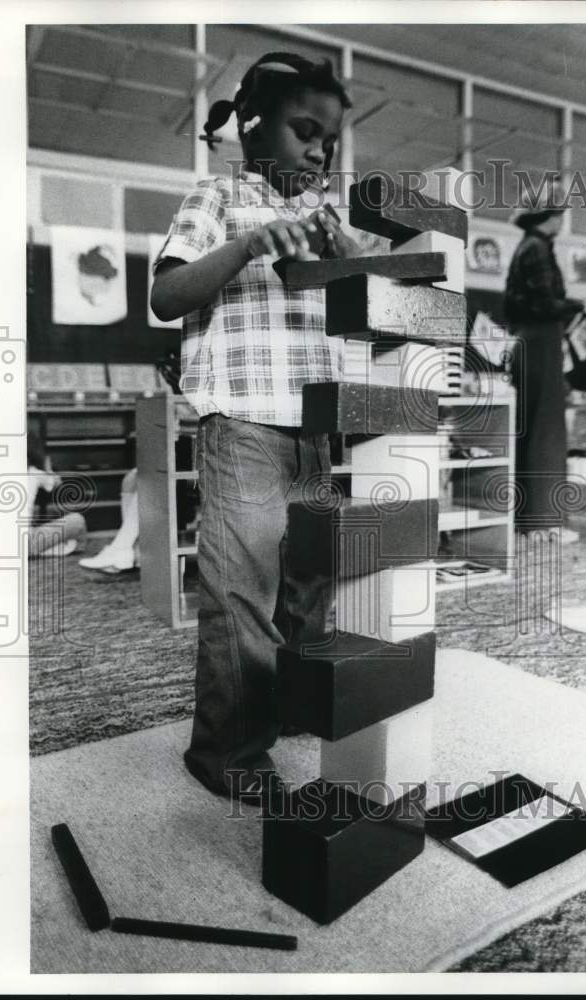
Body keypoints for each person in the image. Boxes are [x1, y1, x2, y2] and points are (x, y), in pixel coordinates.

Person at [150, 52, 358, 805]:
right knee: (244, 590)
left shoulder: (326, 214)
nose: (318, 150)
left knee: (309, 583)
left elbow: (365, 308)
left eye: (329, 140)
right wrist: (245, 245)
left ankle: (291, 706)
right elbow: (167, 296)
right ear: (253, 125)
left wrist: (346, 260)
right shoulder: (219, 194)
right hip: (241, 420)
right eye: (306, 130)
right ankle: (227, 749)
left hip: (313, 423)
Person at [504, 186, 586, 542]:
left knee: (531, 428)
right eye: (560, 215)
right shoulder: (537, 248)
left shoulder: (527, 246)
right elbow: (544, 304)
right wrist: (576, 307)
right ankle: (544, 523)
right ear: (549, 216)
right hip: (540, 339)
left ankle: (531, 520)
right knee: (546, 429)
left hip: (529, 340)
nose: (562, 222)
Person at [26, 432, 87, 557]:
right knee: (78, 520)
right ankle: (74, 547)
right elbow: (58, 483)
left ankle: (52, 548)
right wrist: (47, 467)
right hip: (23, 543)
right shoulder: (34, 473)